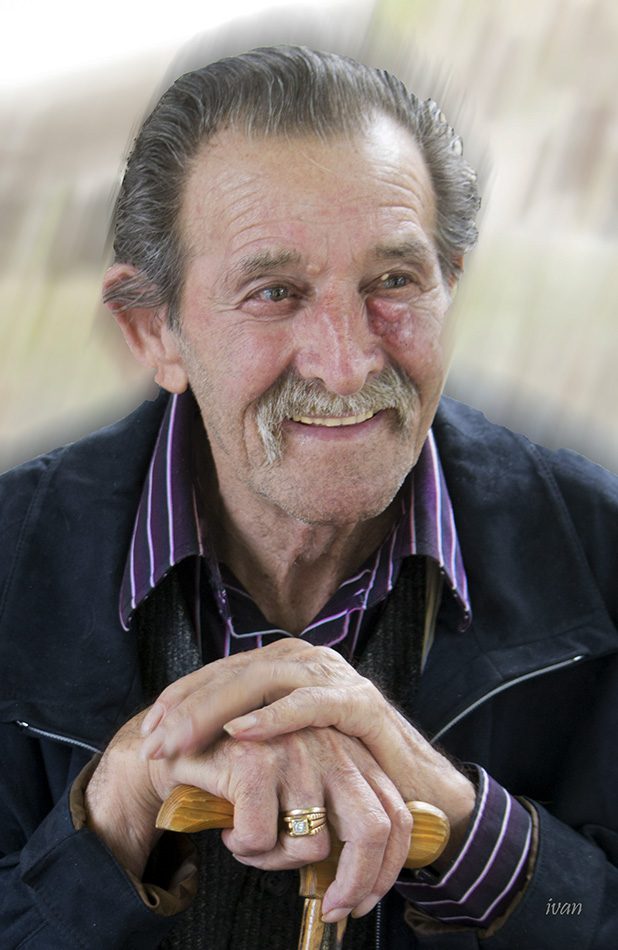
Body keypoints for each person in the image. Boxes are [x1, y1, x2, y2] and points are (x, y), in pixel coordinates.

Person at [1, 45, 617, 950]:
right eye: (275, 292)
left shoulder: (603, 555)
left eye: (394, 281)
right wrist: (118, 808)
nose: (348, 363)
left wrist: (467, 832)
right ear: (152, 331)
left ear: (451, 283)